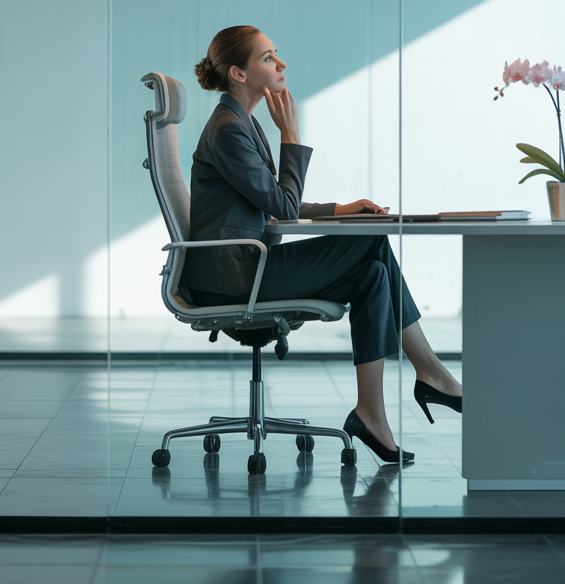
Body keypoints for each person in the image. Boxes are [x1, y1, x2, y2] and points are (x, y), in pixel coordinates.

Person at [182, 25, 462, 464]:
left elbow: (271, 205)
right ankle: (430, 372)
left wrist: (339, 209)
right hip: (235, 277)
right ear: (238, 73)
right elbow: (284, 205)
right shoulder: (228, 129)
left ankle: (372, 412)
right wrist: (290, 136)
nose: (282, 64)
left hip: (246, 266)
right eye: (268, 57)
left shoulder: (241, 123)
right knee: (373, 247)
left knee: (372, 274)